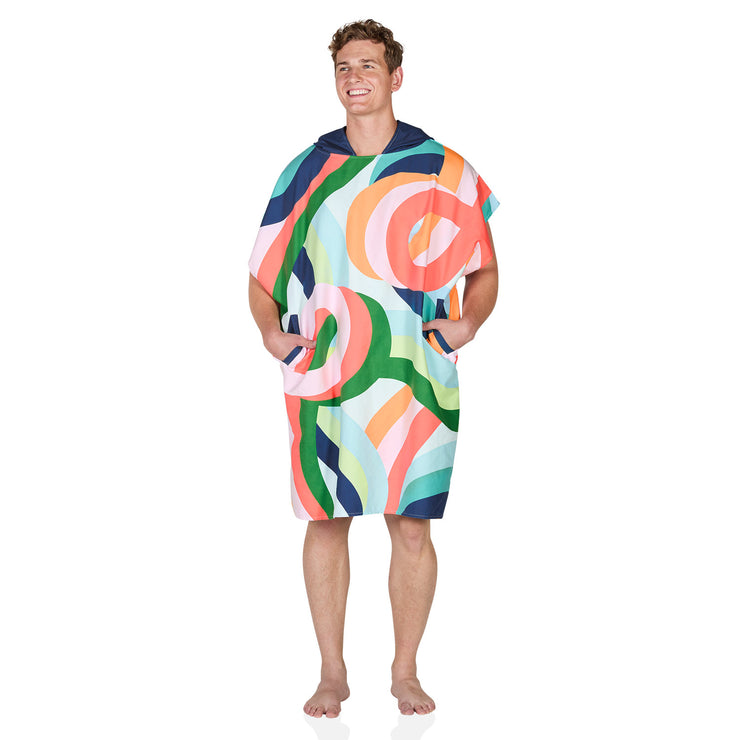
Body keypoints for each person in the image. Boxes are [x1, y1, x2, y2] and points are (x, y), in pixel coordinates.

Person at [248, 19, 499, 718]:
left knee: (412, 525)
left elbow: (484, 268)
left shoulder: (442, 168)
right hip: (325, 372)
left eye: (367, 64)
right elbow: (263, 274)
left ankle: (405, 671)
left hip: (417, 373)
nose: (354, 77)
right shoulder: (306, 171)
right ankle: (331, 673)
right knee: (327, 520)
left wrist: (469, 322)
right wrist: (272, 333)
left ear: (395, 76)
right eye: (343, 67)